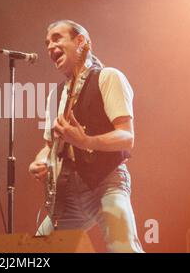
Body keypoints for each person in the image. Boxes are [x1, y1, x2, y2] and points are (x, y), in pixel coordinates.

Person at [29, 20, 144, 253]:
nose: (50, 46)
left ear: (81, 41)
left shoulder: (108, 77)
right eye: (47, 43)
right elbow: (49, 146)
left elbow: (126, 136)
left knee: (123, 248)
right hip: (69, 193)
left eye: (57, 38)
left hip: (106, 182)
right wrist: (41, 161)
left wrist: (86, 141)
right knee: (36, 252)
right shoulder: (56, 94)